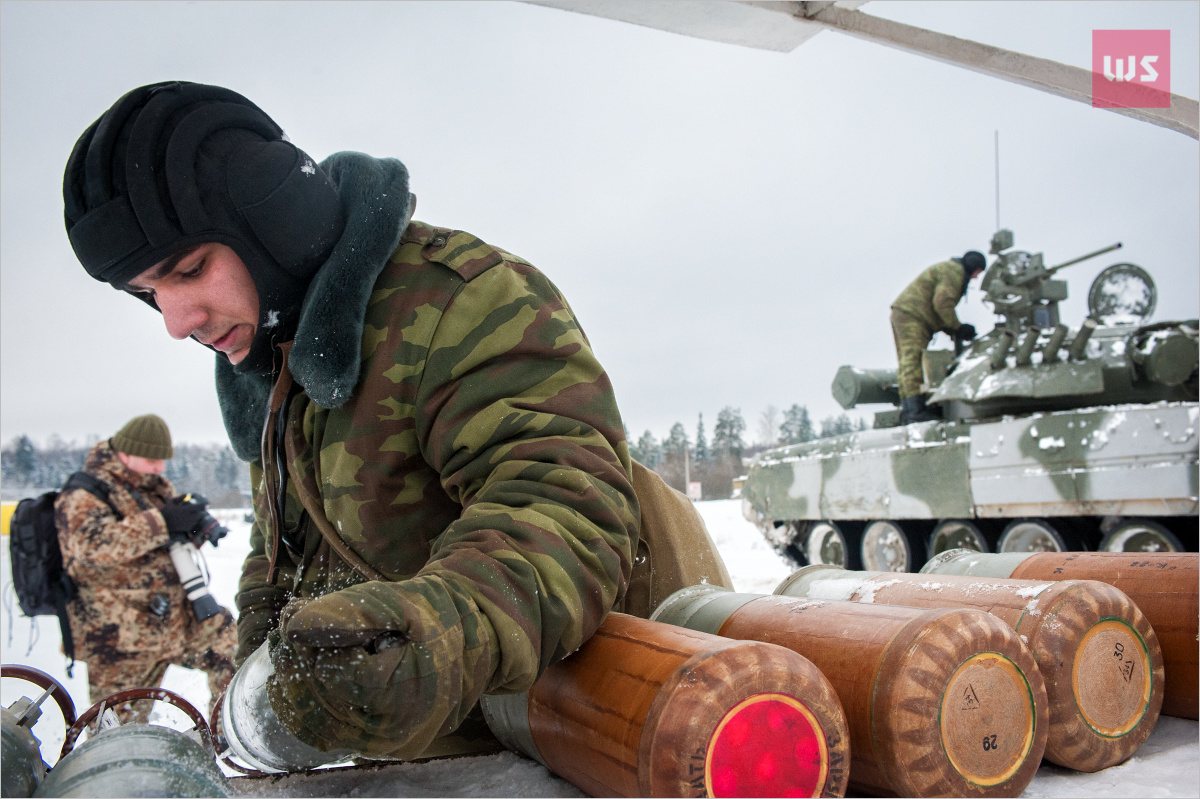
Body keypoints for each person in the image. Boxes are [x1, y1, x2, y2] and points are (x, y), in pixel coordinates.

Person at [62, 81, 727, 761]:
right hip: (453, 742)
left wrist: (427, 636)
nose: (177, 323)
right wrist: (266, 690)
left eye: (190, 270)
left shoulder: (460, 303)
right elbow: (280, 552)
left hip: (628, 711)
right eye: (149, 294)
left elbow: (562, 511)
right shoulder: (275, 364)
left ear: (271, 220)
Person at [54, 413, 237, 723]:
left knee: (230, 643)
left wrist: (194, 528)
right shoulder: (83, 494)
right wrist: (163, 521)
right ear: (125, 453)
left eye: (163, 460)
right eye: (152, 459)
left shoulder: (152, 488)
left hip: (174, 621)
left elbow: (160, 546)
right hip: (120, 637)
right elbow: (92, 547)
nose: (160, 467)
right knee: (117, 735)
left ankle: (227, 736)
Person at [890, 250, 987, 423]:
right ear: (974, 267)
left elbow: (939, 309)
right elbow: (942, 303)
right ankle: (914, 412)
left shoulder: (950, 270)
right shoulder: (954, 272)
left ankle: (910, 410)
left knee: (908, 362)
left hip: (910, 314)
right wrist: (958, 327)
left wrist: (954, 331)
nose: (975, 278)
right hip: (913, 316)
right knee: (912, 362)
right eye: (978, 273)